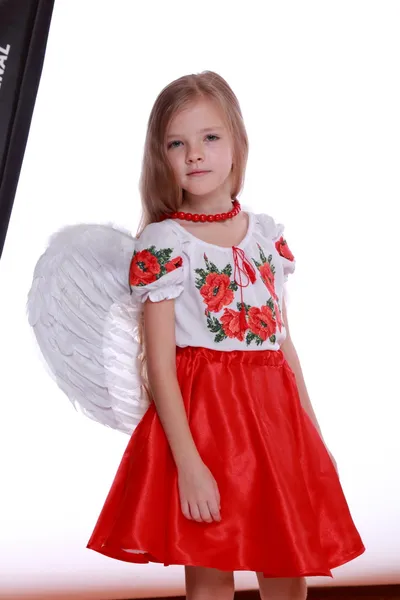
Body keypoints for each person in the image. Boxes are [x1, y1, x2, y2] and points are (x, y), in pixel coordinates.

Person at [86, 71, 365, 600]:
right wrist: (189, 464)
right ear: (160, 155)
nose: (195, 154)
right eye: (178, 143)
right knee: (211, 569)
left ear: (237, 144)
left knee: (286, 568)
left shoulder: (265, 236)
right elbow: (161, 366)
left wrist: (313, 436)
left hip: (275, 419)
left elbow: (282, 342)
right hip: (207, 424)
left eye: (210, 137)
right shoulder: (165, 243)